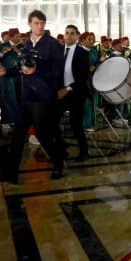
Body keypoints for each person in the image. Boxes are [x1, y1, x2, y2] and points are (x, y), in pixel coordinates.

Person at [0, 9, 66, 183]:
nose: (40, 26)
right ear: (30, 24)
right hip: (26, 96)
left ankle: (59, 164)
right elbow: (19, 68)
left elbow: (58, 69)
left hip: (43, 97)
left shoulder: (52, 44)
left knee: (42, 134)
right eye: (36, 23)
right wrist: (5, 72)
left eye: (42, 23)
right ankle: (10, 173)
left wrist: (37, 69)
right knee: (18, 135)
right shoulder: (26, 46)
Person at [54, 25, 90, 162]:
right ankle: (61, 147)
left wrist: (67, 89)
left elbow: (83, 76)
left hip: (76, 92)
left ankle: (84, 151)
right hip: (60, 93)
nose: (68, 36)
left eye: (72, 33)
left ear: (77, 36)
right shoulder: (59, 52)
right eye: (66, 33)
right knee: (52, 120)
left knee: (75, 124)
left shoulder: (82, 53)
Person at [0, 28, 22, 129]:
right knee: (6, 97)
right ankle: (6, 120)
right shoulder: (3, 46)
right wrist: (3, 52)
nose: (19, 38)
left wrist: (18, 52)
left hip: (18, 76)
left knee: (18, 98)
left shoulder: (22, 46)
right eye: (17, 36)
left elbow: (25, 58)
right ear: (11, 37)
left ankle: (17, 120)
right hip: (6, 77)